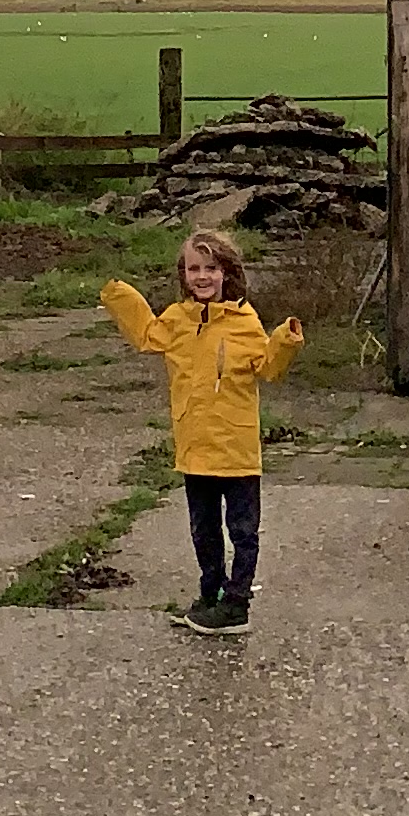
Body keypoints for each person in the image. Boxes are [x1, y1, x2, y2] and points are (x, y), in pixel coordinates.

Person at [106, 228, 301, 631]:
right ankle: (209, 593)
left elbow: (268, 368)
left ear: (227, 273)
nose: (202, 276)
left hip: (237, 449)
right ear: (184, 275)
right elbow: (146, 336)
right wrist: (119, 295)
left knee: (243, 531)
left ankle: (237, 604)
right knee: (203, 529)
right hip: (194, 447)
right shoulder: (177, 319)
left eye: (211, 268)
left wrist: (284, 340)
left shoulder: (244, 322)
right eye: (194, 268)